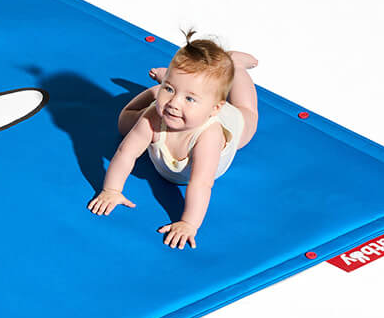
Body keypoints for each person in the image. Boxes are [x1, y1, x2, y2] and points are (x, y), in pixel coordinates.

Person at [87, 31, 259, 249]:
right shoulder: (155, 116)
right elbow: (125, 153)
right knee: (124, 124)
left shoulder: (209, 135)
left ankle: (237, 65)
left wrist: (188, 223)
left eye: (189, 98)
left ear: (215, 108)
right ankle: (163, 87)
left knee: (248, 113)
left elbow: (201, 183)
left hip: (228, 123)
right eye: (169, 89)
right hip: (178, 109)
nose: (174, 103)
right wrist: (111, 190)